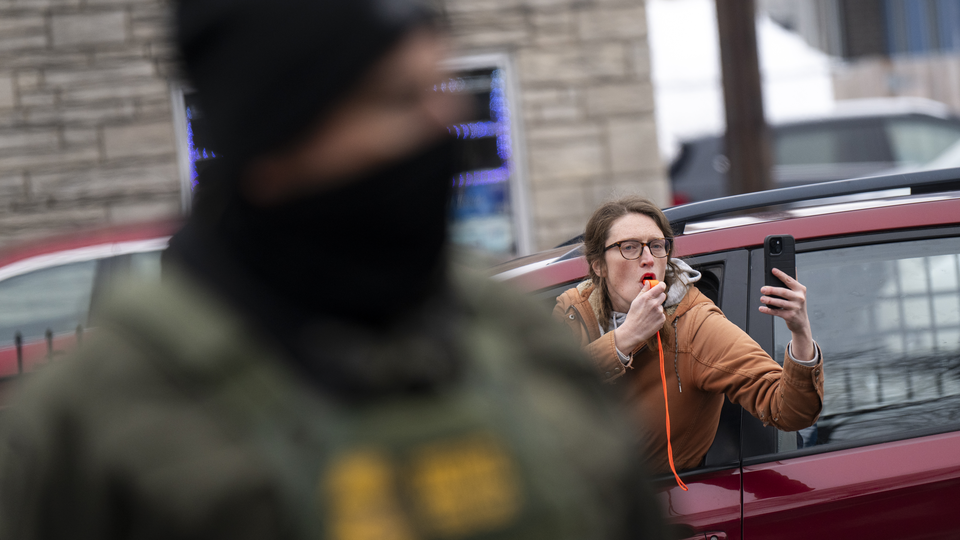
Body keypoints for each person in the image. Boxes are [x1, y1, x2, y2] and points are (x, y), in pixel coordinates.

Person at [0, 1, 669, 539]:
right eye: (398, 99)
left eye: (440, 88)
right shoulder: (92, 430)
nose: (446, 126)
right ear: (276, 140)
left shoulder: (514, 337)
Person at [554, 196, 823, 478]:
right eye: (629, 247)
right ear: (599, 266)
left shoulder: (696, 326)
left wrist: (800, 331)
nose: (647, 259)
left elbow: (791, 410)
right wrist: (623, 339)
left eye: (657, 246)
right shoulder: (575, 307)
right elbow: (543, 399)